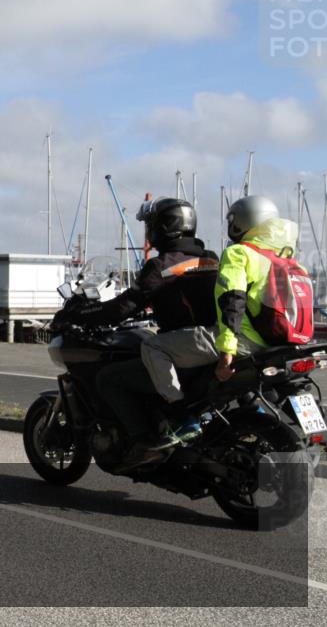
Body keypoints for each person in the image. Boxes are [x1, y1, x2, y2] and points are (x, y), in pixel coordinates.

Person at [55, 197, 219, 469]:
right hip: (212, 344)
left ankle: (144, 442)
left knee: (109, 379)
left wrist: (83, 314)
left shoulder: (162, 265)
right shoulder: (209, 258)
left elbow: (125, 306)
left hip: (184, 350)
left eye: (151, 225)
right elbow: (184, 299)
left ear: (164, 227)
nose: (148, 231)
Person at [213, 196, 303, 381]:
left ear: (241, 221)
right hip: (281, 340)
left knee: (159, 347)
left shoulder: (238, 253)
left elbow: (232, 299)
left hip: (247, 339)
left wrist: (227, 351)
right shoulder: (287, 258)